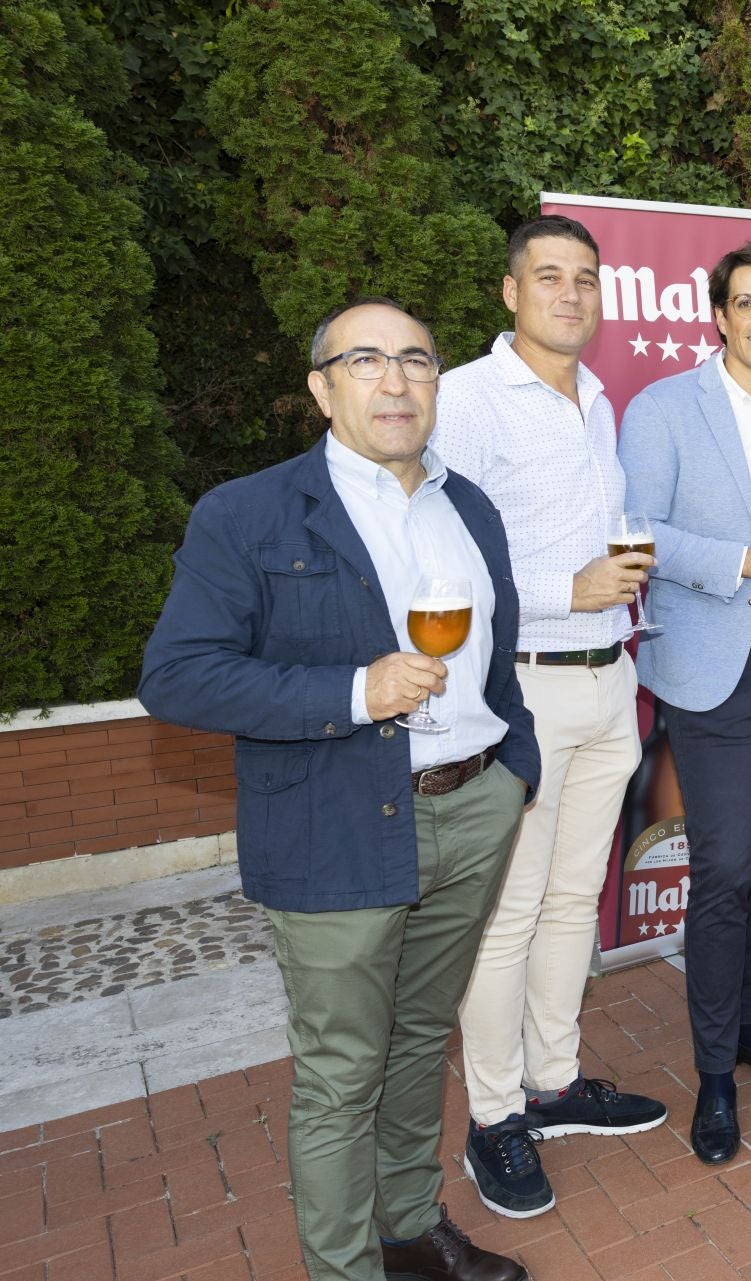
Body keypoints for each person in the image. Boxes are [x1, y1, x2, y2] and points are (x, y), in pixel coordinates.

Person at [139, 298, 541, 1281]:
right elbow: (178, 676)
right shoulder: (249, 512)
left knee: (415, 1048)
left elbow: (496, 662)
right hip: (334, 829)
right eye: (366, 360)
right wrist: (356, 691)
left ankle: (407, 1230)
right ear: (322, 389)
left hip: (474, 806)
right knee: (339, 1077)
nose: (396, 379)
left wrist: (513, 768)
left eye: (416, 360)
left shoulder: (470, 508)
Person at [429, 216, 666, 1219]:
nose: (571, 295)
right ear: (509, 292)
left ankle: (554, 1083)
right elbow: (436, 549)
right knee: (509, 913)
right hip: (520, 685)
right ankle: (492, 1120)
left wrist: (609, 594)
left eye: (586, 280)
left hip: (610, 678)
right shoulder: (470, 401)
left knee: (578, 897)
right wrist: (568, 585)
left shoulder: (598, 400)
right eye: (550, 278)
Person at [616, 241, 751, 1165]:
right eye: (743, 303)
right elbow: (639, 532)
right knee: (721, 873)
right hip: (713, 662)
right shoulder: (664, 408)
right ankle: (711, 1076)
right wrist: (746, 562)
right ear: (717, 314)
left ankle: (746, 1030)